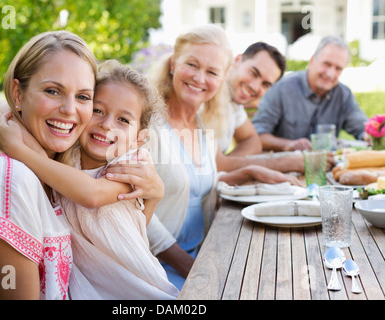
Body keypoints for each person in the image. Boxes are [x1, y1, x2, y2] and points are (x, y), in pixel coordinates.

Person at [110, 25, 301, 290]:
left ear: (222, 78)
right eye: (192, 65)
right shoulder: (145, 125)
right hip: (154, 269)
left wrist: (250, 173)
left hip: (201, 254)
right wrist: (192, 269)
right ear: (173, 64)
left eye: (212, 72)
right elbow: (128, 209)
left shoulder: (204, 121)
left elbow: (193, 185)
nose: (200, 78)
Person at [0, 60, 179, 299]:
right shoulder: (68, 152)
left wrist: (19, 150)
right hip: (88, 288)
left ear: (138, 138)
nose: (106, 125)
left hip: (136, 290)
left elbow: (91, 195)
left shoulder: (131, 165)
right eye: (98, 111)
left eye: (123, 120)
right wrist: (8, 122)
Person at [252, 36, 369, 152]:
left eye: (338, 68)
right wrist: (288, 145)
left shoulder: (343, 95)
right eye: (326, 64)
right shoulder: (282, 89)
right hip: (284, 166)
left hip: (327, 167)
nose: (330, 74)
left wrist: (369, 135)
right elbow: (257, 135)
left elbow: (362, 128)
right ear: (312, 61)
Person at [213, 42, 309, 174]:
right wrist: (283, 163)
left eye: (265, 84)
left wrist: (229, 163)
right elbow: (213, 166)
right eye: (253, 73)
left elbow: (253, 141)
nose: (255, 87)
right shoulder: (206, 94)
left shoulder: (233, 103)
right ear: (237, 60)